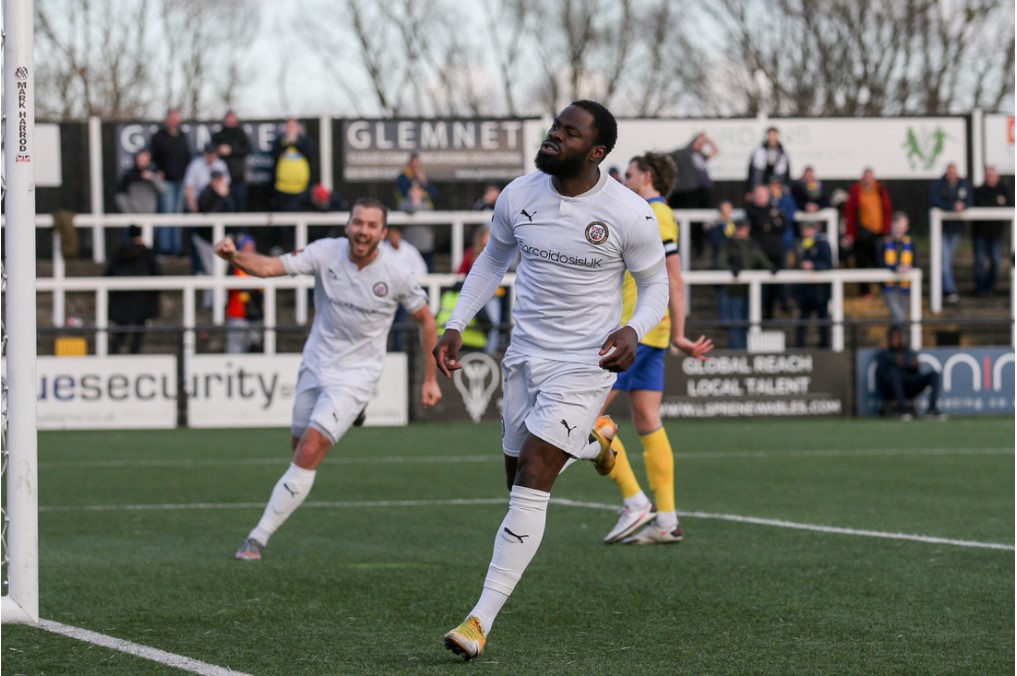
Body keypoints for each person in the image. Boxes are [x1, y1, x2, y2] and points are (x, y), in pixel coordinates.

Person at [434, 100, 670, 661]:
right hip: (524, 357)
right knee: (517, 480)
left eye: (569, 132)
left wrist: (634, 329)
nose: (553, 136)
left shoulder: (629, 213)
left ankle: (478, 620)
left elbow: (656, 287)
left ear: (596, 152)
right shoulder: (518, 195)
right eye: (555, 127)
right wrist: (454, 324)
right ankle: (594, 442)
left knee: (536, 474)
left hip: (584, 364)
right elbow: (491, 262)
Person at [221, 197, 441, 561]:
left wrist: (430, 379)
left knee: (309, 451)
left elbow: (427, 321)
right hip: (316, 363)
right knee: (298, 449)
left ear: (383, 233)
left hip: (357, 375)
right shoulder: (325, 253)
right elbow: (269, 267)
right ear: (347, 225)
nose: (363, 231)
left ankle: (256, 539)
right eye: (358, 223)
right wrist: (233, 256)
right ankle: (351, 415)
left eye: (372, 226)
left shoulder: (397, 274)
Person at [599, 152, 713, 546]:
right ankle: (666, 519)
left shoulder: (654, 213)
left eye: (629, 174)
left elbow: (675, 278)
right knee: (648, 421)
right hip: (653, 332)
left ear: (647, 177)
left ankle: (634, 501)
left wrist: (681, 332)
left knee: (583, 416)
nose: (624, 179)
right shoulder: (660, 213)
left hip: (636, 330)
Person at [105, 225, 161, 354]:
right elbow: (157, 275)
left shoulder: (118, 254)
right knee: (138, 334)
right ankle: (134, 355)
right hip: (142, 301)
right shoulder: (147, 254)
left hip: (121, 301)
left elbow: (108, 275)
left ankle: (113, 355)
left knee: (120, 334)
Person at [718, 219, 773, 349]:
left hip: (750, 290)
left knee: (749, 320)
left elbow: (761, 259)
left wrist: (770, 267)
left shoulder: (752, 244)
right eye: (741, 228)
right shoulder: (729, 244)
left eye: (745, 228)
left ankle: (748, 348)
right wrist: (731, 269)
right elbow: (721, 262)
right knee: (736, 321)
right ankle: (737, 349)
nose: (744, 231)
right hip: (734, 289)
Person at [874, 326, 946, 420]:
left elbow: (914, 369)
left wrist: (905, 363)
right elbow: (883, 376)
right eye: (893, 337)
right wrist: (903, 362)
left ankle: (932, 409)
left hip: (909, 387)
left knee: (934, 375)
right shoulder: (884, 354)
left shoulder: (908, 352)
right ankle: (902, 410)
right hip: (892, 390)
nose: (895, 340)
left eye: (898, 337)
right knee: (894, 375)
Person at [844, 168, 893, 298]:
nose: (868, 179)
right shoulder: (856, 191)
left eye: (870, 177)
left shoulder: (880, 190)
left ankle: (885, 290)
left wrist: (887, 231)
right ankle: (864, 292)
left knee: (879, 261)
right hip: (861, 234)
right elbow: (850, 213)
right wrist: (850, 233)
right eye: (866, 177)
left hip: (878, 233)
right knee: (862, 262)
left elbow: (887, 211)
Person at [148, 108, 191, 255]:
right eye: (172, 118)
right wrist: (157, 171)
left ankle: (176, 248)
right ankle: (165, 248)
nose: (175, 121)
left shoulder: (183, 136)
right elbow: (151, 158)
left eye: (177, 118)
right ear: (167, 119)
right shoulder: (159, 136)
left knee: (177, 215)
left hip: (181, 181)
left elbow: (187, 157)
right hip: (166, 182)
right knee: (167, 214)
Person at [929, 162, 972, 304]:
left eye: (954, 172)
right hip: (942, 229)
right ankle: (950, 290)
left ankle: (945, 288)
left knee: (946, 261)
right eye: (950, 172)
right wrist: (951, 207)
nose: (952, 175)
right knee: (945, 261)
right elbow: (935, 201)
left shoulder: (963, 184)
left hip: (956, 229)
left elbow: (970, 200)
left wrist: (963, 205)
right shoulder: (939, 185)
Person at [381, 225, 428, 352]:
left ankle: (398, 351)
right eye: (391, 235)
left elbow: (422, 269)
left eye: (395, 234)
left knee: (401, 324)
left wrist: (406, 281)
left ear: (400, 235)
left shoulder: (409, 250)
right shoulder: (381, 249)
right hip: (385, 294)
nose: (393, 238)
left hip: (404, 294)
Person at [744, 184, 787, 320]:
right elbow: (760, 222)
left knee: (774, 288)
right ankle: (756, 316)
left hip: (774, 254)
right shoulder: (750, 210)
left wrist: (768, 224)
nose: (760, 198)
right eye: (758, 195)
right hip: (757, 257)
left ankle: (770, 314)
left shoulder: (774, 209)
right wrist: (770, 223)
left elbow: (783, 225)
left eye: (763, 195)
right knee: (758, 290)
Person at [972, 165, 1012, 296]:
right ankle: (980, 289)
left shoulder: (1003, 189)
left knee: (995, 261)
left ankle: (990, 288)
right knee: (979, 262)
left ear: (998, 177)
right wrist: (997, 202)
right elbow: (980, 203)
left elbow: (1010, 204)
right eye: (988, 175)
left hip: (996, 234)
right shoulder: (979, 190)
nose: (990, 178)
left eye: (993, 175)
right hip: (980, 234)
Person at [792, 220, 832, 348]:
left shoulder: (823, 244)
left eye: (809, 229)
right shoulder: (800, 245)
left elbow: (828, 264)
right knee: (802, 321)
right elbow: (794, 265)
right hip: (804, 290)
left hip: (820, 290)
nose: (806, 232)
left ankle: (824, 345)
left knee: (823, 319)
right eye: (804, 229)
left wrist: (814, 266)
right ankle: (799, 346)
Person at [225, 234, 263, 354]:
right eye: (246, 248)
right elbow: (228, 286)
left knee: (256, 347)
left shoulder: (261, 265)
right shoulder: (233, 265)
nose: (250, 251)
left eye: (252, 247)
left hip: (256, 312)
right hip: (238, 313)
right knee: (236, 349)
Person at [211, 110, 253, 212]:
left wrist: (231, 150)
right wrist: (219, 150)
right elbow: (210, 151)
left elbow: (248, 149)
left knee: (240, 208)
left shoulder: (241, 133)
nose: (230, 121)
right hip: (222, 180)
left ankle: (241, 228)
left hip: (238, 178)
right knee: (224, 208)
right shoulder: (218, 135)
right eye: (228, 118)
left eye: (232, 118)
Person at [880, 212, 916, 327]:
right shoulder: (883, 243)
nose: (900, 229)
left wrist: (908, 268)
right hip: (888, 289)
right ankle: (901, 342)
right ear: (892, 225)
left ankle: (900, 342)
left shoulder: (911, 244)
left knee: (899, 318)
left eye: (903, 226)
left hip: (904, 288)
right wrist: (895, 268)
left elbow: (915, 262)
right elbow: (880, 262)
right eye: (898, 225)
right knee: (899, 318)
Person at [669, 131, 718, 210]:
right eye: (698, 143)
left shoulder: (701, 155)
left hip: (703, 191)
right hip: (690, 191)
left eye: (702, 144)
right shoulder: (686, 153)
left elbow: (716, 151)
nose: (700, 145)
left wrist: (709, 141)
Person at [115, 149, 164, 217]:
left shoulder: (154, 173)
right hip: (133, 216)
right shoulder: (129, 175)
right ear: (137, 158)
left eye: (146, 158)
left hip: (150, 215)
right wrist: (129, 212)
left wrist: (152, 178)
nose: (143, 160)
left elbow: (162, 189)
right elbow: (120, 195)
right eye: (141, 157)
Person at [745, 126, 790, 195]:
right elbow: (752, 171)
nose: (772, 138)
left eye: (774, 135)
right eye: (770, 135)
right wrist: (749, 189)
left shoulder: (782, 152)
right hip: (762, 180)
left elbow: (786, 170)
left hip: (776, 181)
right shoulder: (759, 151)